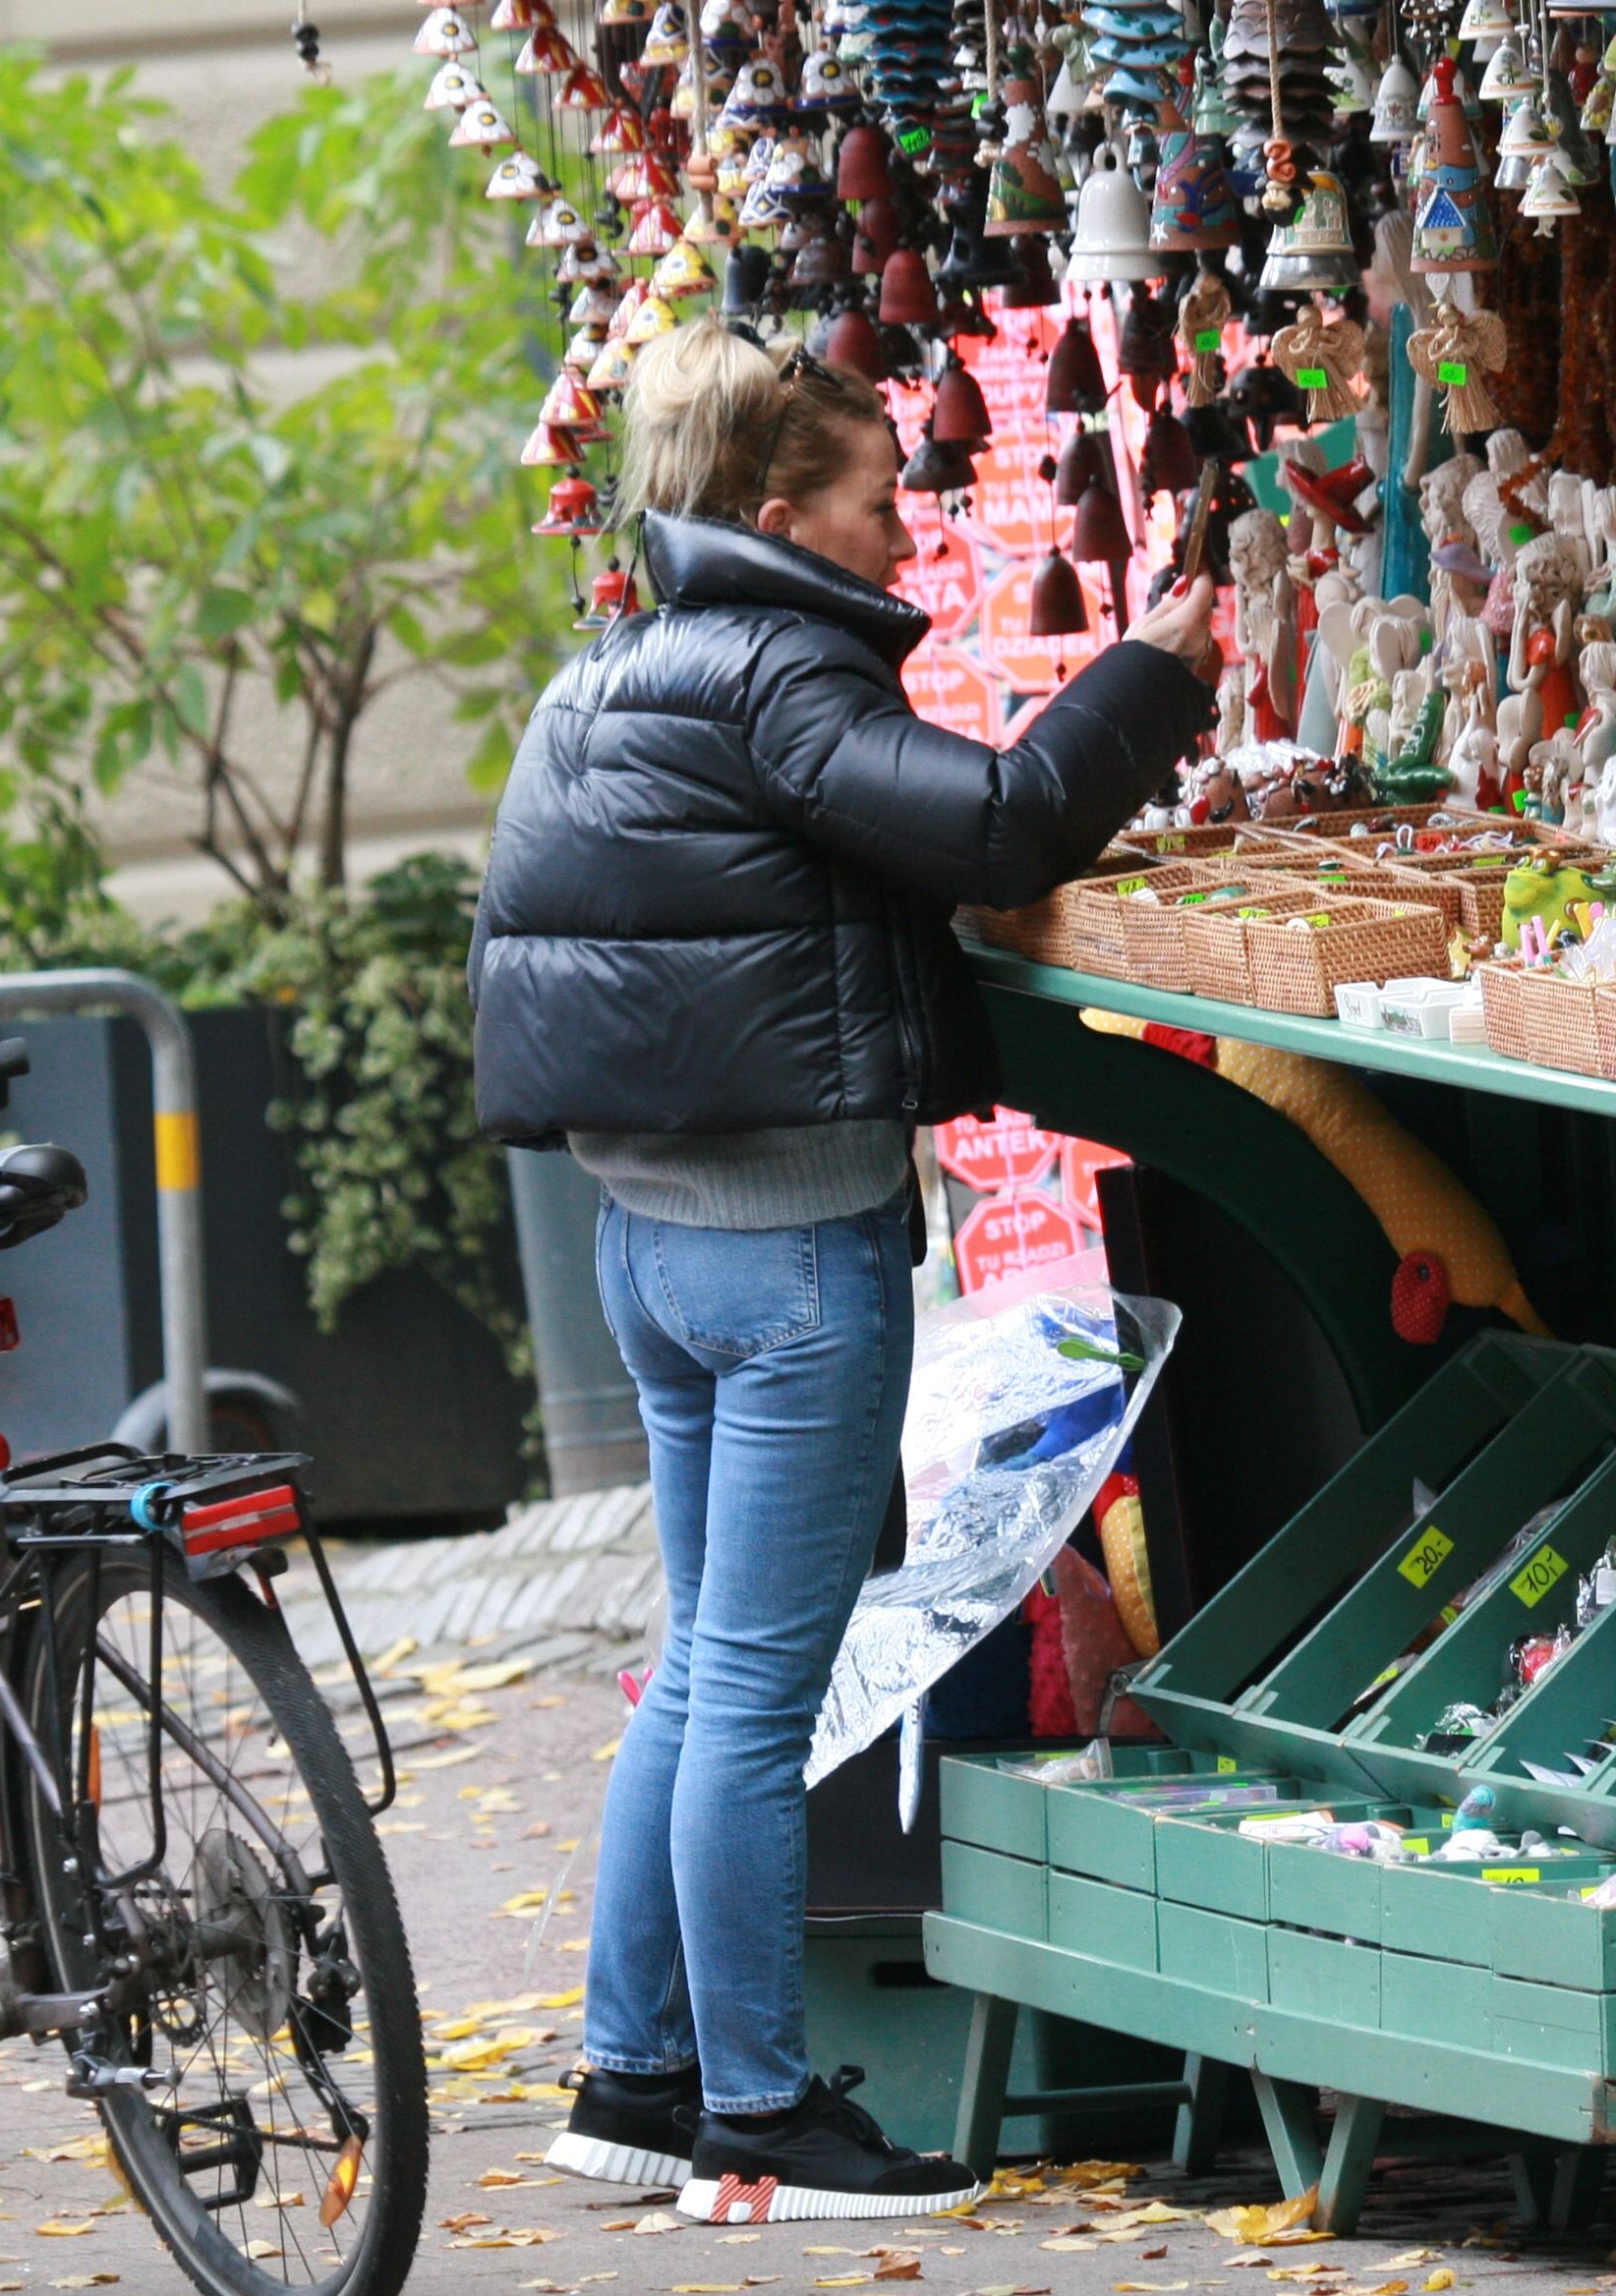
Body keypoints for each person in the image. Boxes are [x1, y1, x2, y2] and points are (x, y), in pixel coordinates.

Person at [469, 320, 1219, 2224]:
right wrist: (1154, 670)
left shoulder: (614, 670)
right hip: (790, 1255)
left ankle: (633, 2078)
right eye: (885, 499)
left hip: (650, 1241)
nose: (909, 532)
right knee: (753, 1690)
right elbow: (999, 825)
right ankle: (758, 2107)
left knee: (700, 1671)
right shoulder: (774, 671)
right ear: (782, 511)